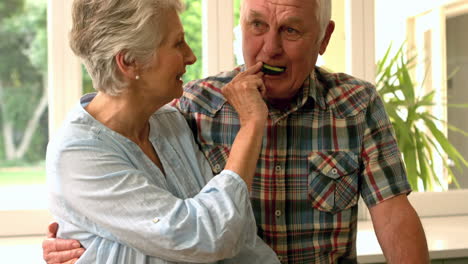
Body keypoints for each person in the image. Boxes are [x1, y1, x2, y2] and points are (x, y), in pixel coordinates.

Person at [43, 0, 430, 263]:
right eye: (257, 25)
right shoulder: (192, 107)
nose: (270, 48)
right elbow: (180, 227)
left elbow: (393, 214)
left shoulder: (355, 104)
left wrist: (93, 236)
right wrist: (88, 237)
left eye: (291, 30)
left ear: (323, 39)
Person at [43, 0, 282, 263]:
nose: (191, 56)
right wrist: (250, 125)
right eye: (178, 43)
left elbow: (236, 233)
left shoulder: (170, 121)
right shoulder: (77, 155)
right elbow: (209, 236)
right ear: (129, 61)